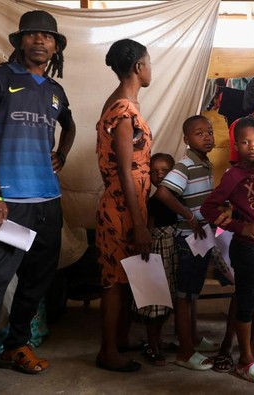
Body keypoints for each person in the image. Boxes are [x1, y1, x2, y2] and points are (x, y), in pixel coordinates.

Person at [0, 10, 75, 395]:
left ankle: (16, 346)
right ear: (19, 41)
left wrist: (62, 152)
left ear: (55, 46)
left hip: (49, 201)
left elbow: (68, 123)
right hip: (9, 202)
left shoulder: (55, 91)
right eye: (32, 35)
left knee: (37, 282)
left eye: (48, 37)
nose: (40, 41)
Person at [201, 117, 254, 383]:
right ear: (236, 145)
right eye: (245, 142)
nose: (252, 147)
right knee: (245, 300)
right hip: (246, 248)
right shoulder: (233, 175)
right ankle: (245, 359)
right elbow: (208, 208)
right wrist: (239, 227)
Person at [94, 38, 153, 373]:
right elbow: (125, 171)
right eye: (149, 62)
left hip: (129, 204)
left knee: (127, 274)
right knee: (114, 280)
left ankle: (122, 338)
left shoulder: (123, 102)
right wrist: (138, 221)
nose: (150, 69)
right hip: (121, 207)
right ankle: (107, 351)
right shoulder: (124, 111)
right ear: (138, 67)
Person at [154, 115, 222, 371]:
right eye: (199, 133)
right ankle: (184, 352)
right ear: (186, 139)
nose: (207, 136)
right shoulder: (185, 165)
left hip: (201, 240)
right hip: (188, 240)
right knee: (184, 296)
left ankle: (191, 339)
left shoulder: (204, 163)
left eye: (209, 132)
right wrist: (190, 216)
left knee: (192, 293)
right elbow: (163, 192)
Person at [140, 152, 178, 366]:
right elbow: (149, 229)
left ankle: (159, 340)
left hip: (172, 251)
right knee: (155, 302)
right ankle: (152, 345)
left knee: (167, 301)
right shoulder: (154, 201)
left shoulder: (178, 198)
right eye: (154, 172)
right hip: (157, 253)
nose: (159, 175)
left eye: (165, 171)